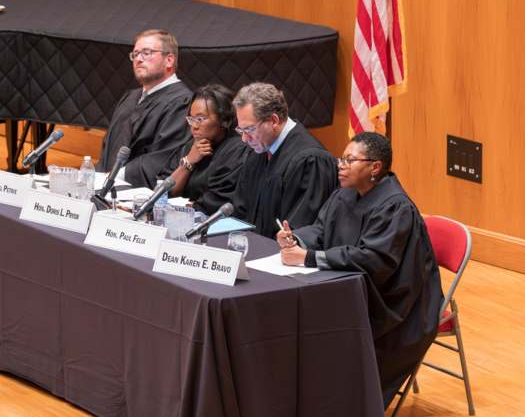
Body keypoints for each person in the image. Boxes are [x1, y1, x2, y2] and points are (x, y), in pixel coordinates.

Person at [277, 132, 443, 408]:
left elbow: (372, 260)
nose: (340, 166)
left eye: (349, 160)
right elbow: (321, 228)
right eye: (341, 159)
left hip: (394, 305)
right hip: (348, 287)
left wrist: (308, 257)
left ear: (375, 167)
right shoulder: (345, 193)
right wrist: (296, 239)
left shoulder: (395, 207)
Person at [231, 82, 337, 239]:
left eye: (249, 129)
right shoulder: (259, 151)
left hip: (281, 259)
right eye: (241, 130)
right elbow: (241, 210)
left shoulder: (311, 161)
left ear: (274, 120)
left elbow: (301, 229)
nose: (244, 138)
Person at [97, 29, 192, 188]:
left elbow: (162, 157)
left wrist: (112, 177)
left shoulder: (182, 102)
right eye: (135, 54)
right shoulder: (130, 97)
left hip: (138, 195)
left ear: (169, 60)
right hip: (104, 187)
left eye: (146, 53)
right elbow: (109, 146)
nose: (138, 59)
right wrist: (96, 176)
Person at [158, 84, 249, 215]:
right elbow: (163, 192)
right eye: (191, 119)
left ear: (224, 120)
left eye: (200, 119)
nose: (194, 126)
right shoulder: (191, 146)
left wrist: (185, 207)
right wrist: (188, 161)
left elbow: (214, 204)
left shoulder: (238, 150)